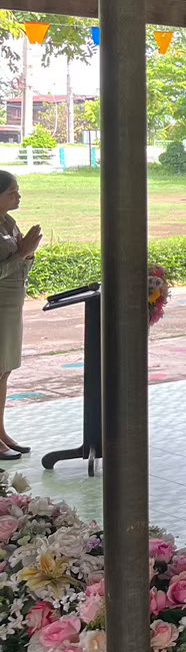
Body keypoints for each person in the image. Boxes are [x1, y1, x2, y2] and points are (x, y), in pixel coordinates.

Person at [0, 171, 42, 460]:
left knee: (4, 370)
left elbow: (21, 263)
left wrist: (29, 253)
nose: (19, 195)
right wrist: (22, 254)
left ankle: (1, 431)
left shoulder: (9, 223)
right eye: (12, 191)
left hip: (12, 307)